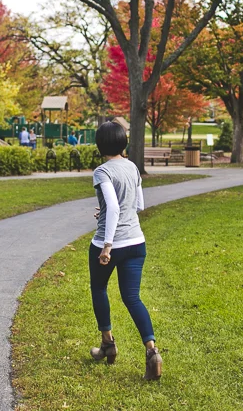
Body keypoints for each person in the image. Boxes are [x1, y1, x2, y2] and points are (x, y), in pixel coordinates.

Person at [87, 121, 162, 380]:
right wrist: (107, 212)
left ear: (100, 145)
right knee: (132, 298)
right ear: (123, 142)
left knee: (99, 289)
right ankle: (152, 352)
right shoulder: (132, 167)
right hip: (136, 242)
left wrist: (107, 245)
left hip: (111, 244)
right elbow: (138, 204)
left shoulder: (102, 171)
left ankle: (108, 344)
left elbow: (115, 207)